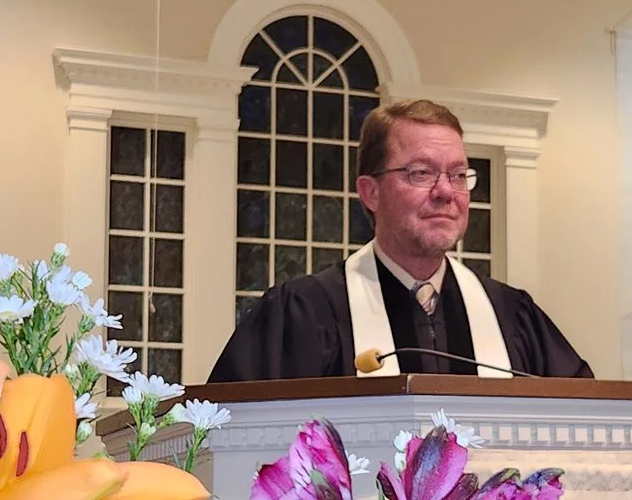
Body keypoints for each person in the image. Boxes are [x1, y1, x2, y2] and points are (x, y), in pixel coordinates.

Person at [209, 98, 594, 382]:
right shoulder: (303, 316)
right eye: (421, 173)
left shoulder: (511, 315)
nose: (446, 192)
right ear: (371, 192)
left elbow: (582, 428)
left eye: (458, 175)